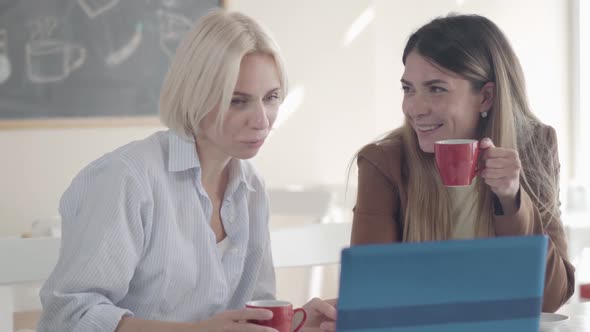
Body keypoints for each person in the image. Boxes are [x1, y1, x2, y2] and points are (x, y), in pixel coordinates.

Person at [38, 9, 335, 332]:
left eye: (271, 98)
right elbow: (68, 318)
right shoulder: (128, 178)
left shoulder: (251, 187)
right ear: (197, 94)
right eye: (238, 101)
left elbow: (247, 319)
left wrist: (295, 323)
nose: (262, 120)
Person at [350, 13, 574, 312]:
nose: (413, 108)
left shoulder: (535, 148)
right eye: (408, 89)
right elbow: (370, 291)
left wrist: (511, 201)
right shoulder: (383, 163)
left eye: (436, 88)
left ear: (486, 97)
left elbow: (550, 300)